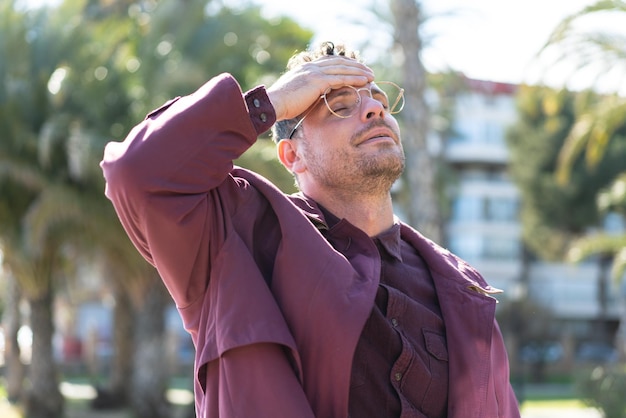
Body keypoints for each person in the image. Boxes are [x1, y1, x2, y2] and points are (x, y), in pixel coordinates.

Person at [101, 41, 521, 418]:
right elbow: (139, 172)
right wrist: (274, 100)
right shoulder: (235, 239)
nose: (373, 109)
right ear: (291, 155)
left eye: (378, 99)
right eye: (338, 104)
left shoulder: (463, 289)